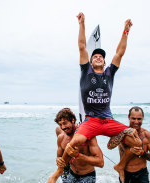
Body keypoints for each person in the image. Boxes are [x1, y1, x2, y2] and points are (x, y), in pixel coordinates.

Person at [48, 12, 141, 183]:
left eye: (101, 57)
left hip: (108, 120)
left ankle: (120, 164)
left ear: (104, 63)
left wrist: (126, 31)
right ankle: (56, 173)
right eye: (95, 56)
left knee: (137, 143)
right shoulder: (85, 72)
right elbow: (82, 46)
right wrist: (82, 24)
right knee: (72, 145)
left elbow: (120, 53)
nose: (98, 57)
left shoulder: (110, 73)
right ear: (90, 62)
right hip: (91, 121)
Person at [47, 108, 104, 183]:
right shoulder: (61, 138)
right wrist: (58, 160)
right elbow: (59, 157)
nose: (63, 127)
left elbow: (100, 162)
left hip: (88, 175)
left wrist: (78, 155)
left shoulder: (87, 135)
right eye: (60, 124)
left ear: (73, 120)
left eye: (65, 123)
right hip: (72, 174)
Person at [118, 106, 150, 183]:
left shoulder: (148, 135)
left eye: (139, 119)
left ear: (143, 118)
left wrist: (142, 153)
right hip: (125, 173)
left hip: (142, 174)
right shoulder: (121, 133)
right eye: (133, 118)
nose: (136, 122)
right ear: (128, 117)